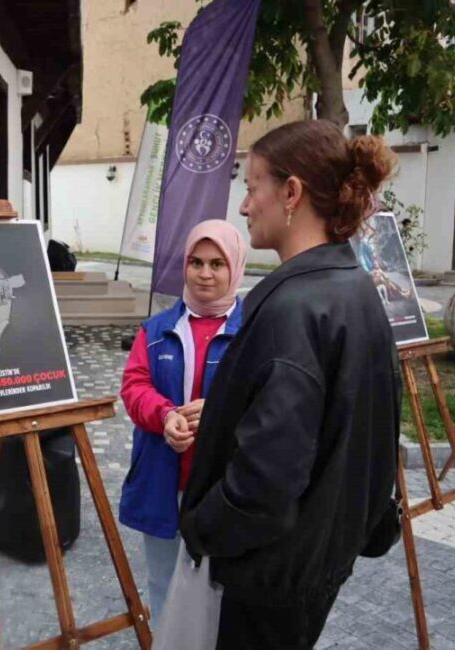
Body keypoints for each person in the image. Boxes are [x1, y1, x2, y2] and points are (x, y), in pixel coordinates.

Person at [171, 120, 402, 649]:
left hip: (269, 577)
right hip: (316, 562)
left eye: (252, 186)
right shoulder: (354, 287)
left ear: (291, 192)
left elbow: (265, 482)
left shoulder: (294, 307)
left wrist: (200, 528)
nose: (244, 205)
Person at [118, 219, 247, 625]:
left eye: (217, 264)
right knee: (163, 583)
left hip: (224, 488)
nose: (205, 273)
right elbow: (134, 386)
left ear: (235, 267)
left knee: (221, 586)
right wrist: (165, 415)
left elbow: (270, 398)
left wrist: (220, 411)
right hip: (163, 482)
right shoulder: (157, 329)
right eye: (196, 262)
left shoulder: (256, 331)